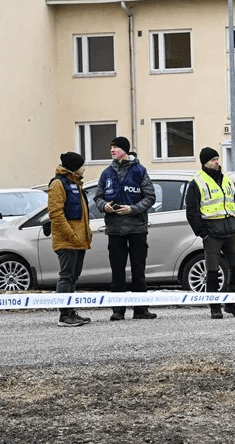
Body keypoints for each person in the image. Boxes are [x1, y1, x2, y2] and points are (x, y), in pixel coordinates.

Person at [93, 136, 157, 321]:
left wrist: (132, 209)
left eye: (116, 147)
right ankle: (118, 310)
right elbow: (97, 197)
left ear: (125, 150)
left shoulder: (139, 171)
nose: (112, 150)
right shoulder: (106, 173)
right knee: (117, 270)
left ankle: (141, 309)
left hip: (137, 228)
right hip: (115, 229)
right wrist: (104, 205)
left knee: (138, 269)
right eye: (111, 147)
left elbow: (150, 197)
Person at [185, 147, 235, 319]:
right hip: (211, 232)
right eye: (213, 160)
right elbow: (192, 211)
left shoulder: (227, 179)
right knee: (212, 271)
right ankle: (215, 306)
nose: (216, 162)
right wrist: (202, 232)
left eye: (217, 159)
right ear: (205, 162)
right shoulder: (197, 182)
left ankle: (232, 304)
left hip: (231, 229)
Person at [48, 152, 93, 327]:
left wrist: (86, 233)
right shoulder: (58, 184)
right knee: (66, 276)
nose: (84, 168)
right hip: (67, 241)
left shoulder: (75, 183)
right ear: (74, 167)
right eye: (81, 165)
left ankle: (71, 311)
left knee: (73, 277)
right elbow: (56, 214)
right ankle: (64, 315)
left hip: (79, 241)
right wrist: (71, 235)